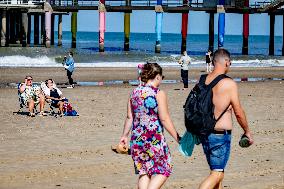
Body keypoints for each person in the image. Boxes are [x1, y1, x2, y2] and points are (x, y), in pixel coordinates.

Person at [198, 49, 254, 189]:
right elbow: (238, 112)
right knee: (217, 174)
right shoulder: (229, 84)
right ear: (227, 62)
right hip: (219, 136)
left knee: (217, 172)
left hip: (205, 133)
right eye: (230, 62)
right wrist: (247, 131)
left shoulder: (203, 80)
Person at [119, 63, 180, 189]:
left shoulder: (134, 93)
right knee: (165, 169)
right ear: (157, 77)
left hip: (137, 140)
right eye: (161, 77)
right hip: (154, 139)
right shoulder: (158, 93)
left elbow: (130, 117)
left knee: (144, 172)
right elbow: (164, 118)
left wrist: (124, 136)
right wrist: (178, 137)